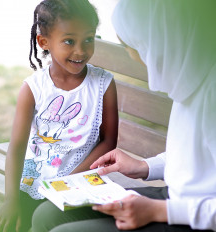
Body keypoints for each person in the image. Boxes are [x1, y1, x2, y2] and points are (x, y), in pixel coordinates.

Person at [31, 0, 216, 231]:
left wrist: (159, 211)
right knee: (48, 213)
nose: (134, 55)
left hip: (195, 218)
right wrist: (144, 166)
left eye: (133, 46)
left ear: (161, 41)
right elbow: (204, 162)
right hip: (178, 200)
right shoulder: (190, 73)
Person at [0, 0, 119, 231]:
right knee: (17, 222)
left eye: (88, 39)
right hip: (35, 182)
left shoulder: (103, 84)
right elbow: (17, 147)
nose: (81, 50)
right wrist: (10, 200)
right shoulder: (33, 88)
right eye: (69, 41)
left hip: (81, 181)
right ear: (44, 42)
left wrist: (68, 181)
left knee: (50, 220)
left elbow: (109, 141)